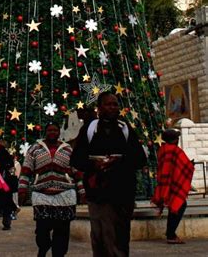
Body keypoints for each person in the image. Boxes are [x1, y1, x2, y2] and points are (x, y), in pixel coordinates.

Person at [70, 92, 147, 257]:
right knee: (99, 235)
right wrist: (94, 163)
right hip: (97, 191)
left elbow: (139, 158)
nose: (113, 108)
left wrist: (119, 161)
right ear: (99, 108)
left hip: (122, 192)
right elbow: (76, 159)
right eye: (108, 104)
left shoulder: (125, 129)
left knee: (119, 235)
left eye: (115, 104)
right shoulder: (90, 129)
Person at [18, 122, 84, 257]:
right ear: (45, 132)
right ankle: (44, 246)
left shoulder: (68, 150)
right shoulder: (34, 149)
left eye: (55, 130)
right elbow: (26, 171)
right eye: (49, 130)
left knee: (62, 231)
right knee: (42, 230)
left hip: (65, 196)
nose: (52, 133)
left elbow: (77, 172)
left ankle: (58, 254)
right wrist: (22, 189)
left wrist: (82, 191)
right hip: (42, 195)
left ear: (59, 132)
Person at [151, 128, 194, 245]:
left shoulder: (163, 150)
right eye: (177, 138)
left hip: (165, 183)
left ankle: (171, 233)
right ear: (175, 140)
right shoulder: (175, 151)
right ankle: (170, 234)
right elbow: (185, 165)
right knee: (180, 204)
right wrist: (191, 165)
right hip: (175, 183)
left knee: (174, 206)